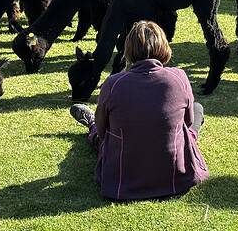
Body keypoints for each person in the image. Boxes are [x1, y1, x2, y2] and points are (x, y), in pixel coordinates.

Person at [69, 21, 208, 200]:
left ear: (129, 50)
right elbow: (187, 122)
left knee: (100, 136)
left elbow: (104, 132)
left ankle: (91, 124)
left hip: (123, 179)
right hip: (176, 177)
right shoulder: (179, 77)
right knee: (196, 111)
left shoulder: (113, 84)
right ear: (164, 46)